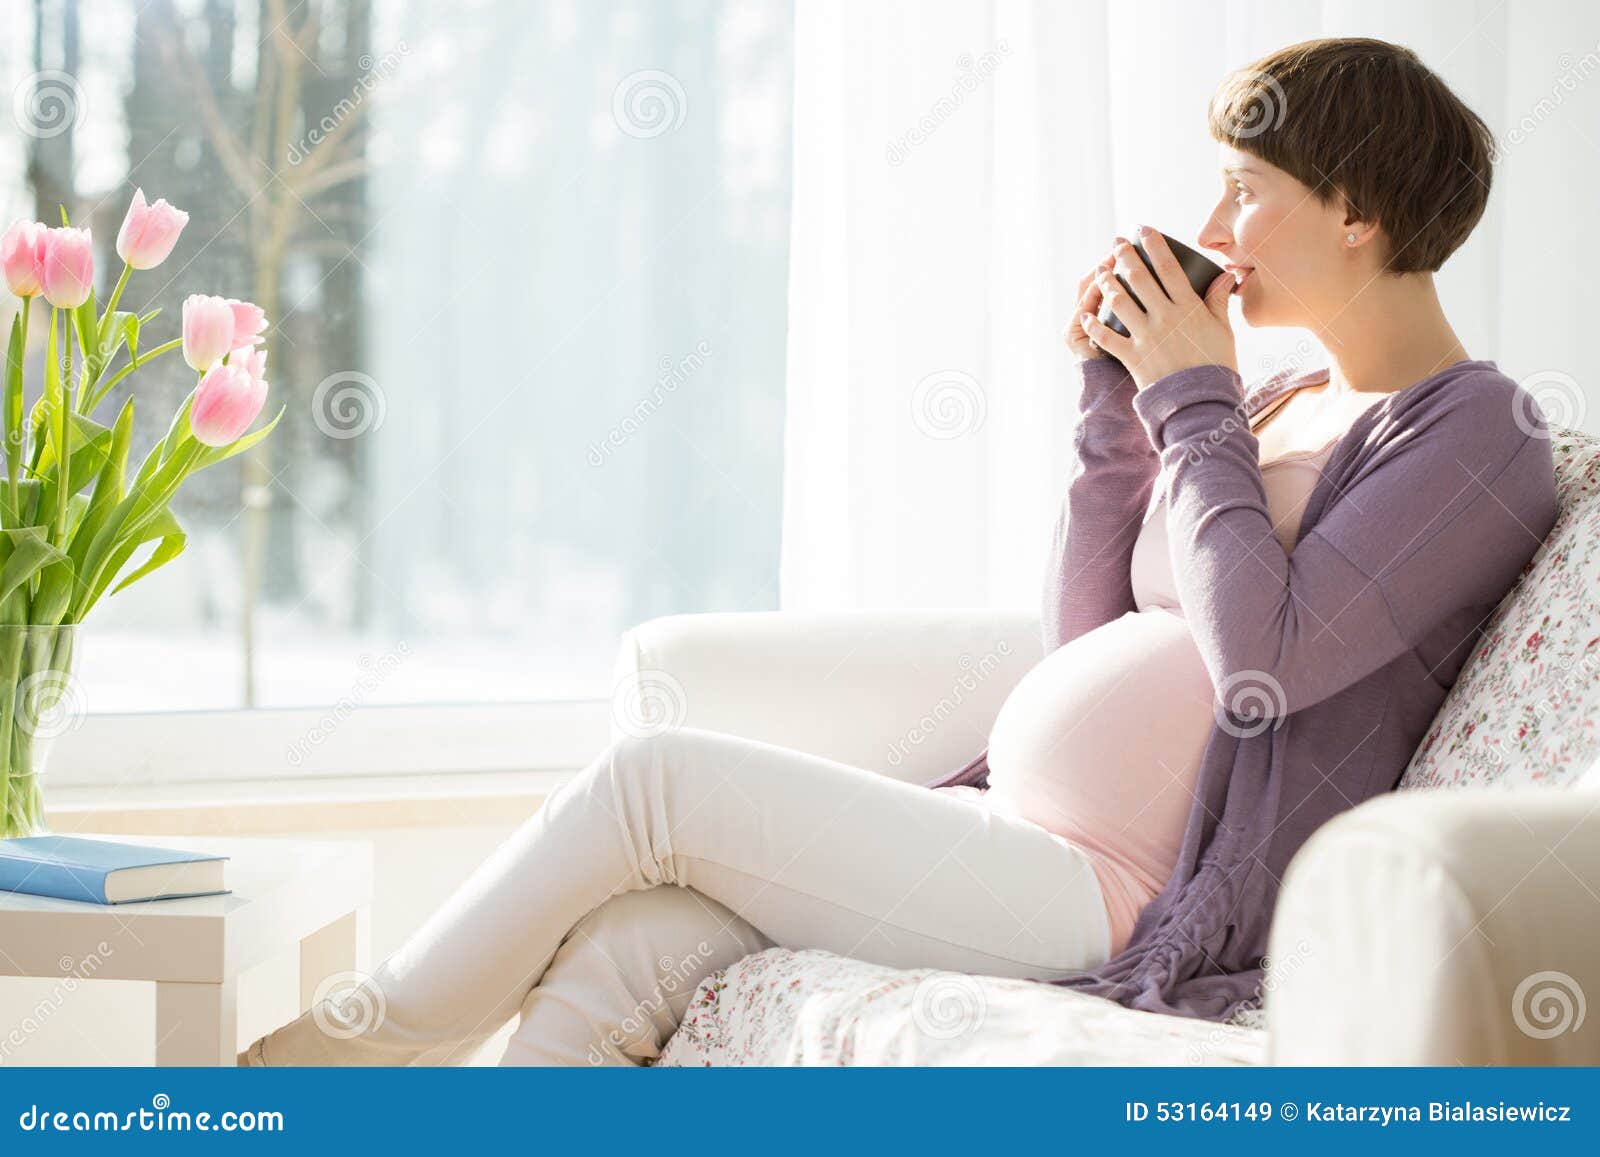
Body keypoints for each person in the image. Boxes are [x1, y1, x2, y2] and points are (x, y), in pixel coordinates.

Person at [241, 36, 1556, 1065]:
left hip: (1121, 892)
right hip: (1011, 828)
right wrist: (1119, 406)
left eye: (1245, 192)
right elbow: (1090, 635)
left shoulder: (1476, 430)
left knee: (653, 785)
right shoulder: (1271, 399)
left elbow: (1265, 659)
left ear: (1357, 214)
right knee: (639, 944)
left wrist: (1193, 403)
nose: (1213, 231)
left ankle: (338, 1062)